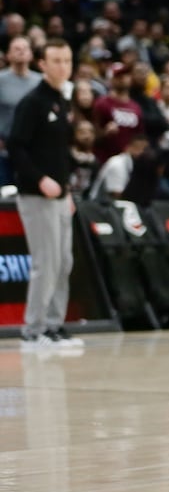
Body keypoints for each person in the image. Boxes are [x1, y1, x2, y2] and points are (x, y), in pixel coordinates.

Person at [8, 38, 84, 350]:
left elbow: (59, 153)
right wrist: (40, 180)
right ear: (43, 64)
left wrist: (66, 190)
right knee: (46, 261)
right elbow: (15, 146)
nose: (63, 66)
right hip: (35, 195)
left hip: (59, 196)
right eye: (56, 61)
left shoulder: (61, 101)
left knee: (64, 261)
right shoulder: (33, 102)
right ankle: (33, 330)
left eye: (67, 60)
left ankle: (54, 325)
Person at [0, 36, 41, 187]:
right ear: (8, 55)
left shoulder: (41, 82)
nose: (21, 52)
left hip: (32, 151)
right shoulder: (1, 80)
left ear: (31, 54)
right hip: (4, 151)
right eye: (16, 49)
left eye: (25, 48)